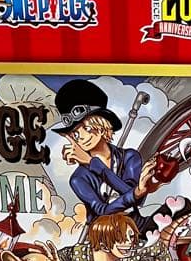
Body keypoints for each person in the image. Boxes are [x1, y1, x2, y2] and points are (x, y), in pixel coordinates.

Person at [52, 78, 161, 234]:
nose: (81, 137)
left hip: (137, 229)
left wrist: (136, 192)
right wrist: (92, 164)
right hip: (104, 236)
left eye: (86, 128)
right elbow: (102, 211)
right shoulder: (79, 178)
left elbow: (134, 196)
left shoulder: (130, 157)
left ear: (103, 126)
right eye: (75, 133)